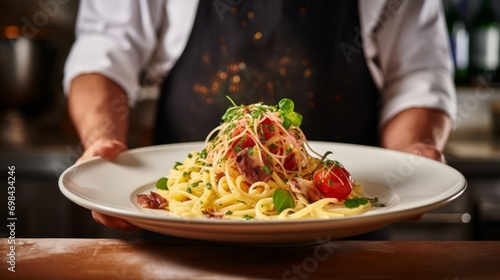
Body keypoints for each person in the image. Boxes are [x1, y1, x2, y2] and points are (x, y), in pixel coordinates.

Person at [64, 0, 456, 233]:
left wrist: (413, 151)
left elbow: (419, 73)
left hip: (346, 243)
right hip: (183, 244)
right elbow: (106, 47)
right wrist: (103, 141)